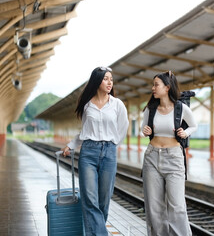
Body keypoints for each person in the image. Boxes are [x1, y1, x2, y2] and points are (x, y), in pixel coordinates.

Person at [61, 66, 129, 236]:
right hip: (88, 153)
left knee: (104, 200)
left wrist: (112, 145)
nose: (109, 82)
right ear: (96, 81)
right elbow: (84, 131)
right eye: (106, 78)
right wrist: (71, 145)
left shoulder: (117, 105)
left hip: (109, 153)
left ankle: (95, 232)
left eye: (111, 79)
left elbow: (123, 128)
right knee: (90, 200)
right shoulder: (87, 106)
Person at [141, 70, 197, 236]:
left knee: (177, 206)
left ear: (167, 87)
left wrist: (185, 133)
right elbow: (143, 130)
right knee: (154, 207)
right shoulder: (150, 109)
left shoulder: (181, 108)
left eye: (156, 85)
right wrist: (145, 130)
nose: (153, 88)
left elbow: (193, 125)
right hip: (152, 157)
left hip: (174, 158)